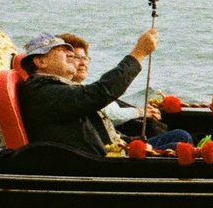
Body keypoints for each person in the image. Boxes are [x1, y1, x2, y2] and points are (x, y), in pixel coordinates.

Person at [15, 28, 159, 157]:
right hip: (94, 166)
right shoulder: (45, 92)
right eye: (61, 49)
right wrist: (138, 54)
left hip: (102, 157)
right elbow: (101, 92)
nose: (70, 53)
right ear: (41, 62)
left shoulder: (52, 89)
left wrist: (132, 142)